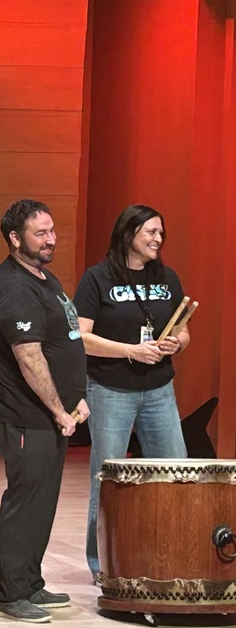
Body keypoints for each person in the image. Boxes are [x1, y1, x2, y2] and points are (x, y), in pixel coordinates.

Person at [0, 199, 88, 623]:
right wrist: (60, 409)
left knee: (43, 500)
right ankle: (10, 594)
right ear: (15, 239)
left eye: (52, 230)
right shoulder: (13, 287)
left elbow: (64, 341)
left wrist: (73, 396)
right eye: (40, 233)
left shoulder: (43, 277)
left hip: (49, 415)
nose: (51, 239)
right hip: (24, 414)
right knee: (25, 501)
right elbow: (29, 357)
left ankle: (30, 583)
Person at [73, 205, 189, 579]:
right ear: (128, 234)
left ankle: (173, 555)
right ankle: (102, 563)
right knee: (109, 477)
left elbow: (184, 330)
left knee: (175, 472)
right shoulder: (97, 278)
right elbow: (82, 337)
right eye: (150, 232)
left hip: (159, 389)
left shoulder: (167, 278)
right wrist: (130, 351)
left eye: (161, 233)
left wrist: (177, 343)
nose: (158, 239)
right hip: (110, 389)